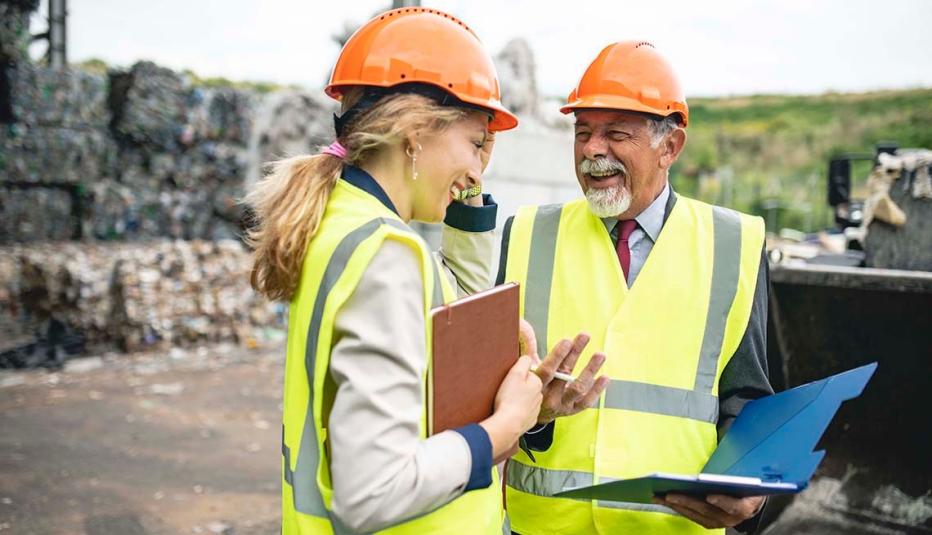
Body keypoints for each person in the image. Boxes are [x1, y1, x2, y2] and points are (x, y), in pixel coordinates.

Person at [245, 8, 545, 534]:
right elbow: (373, 492)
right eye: (477, 143)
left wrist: (465, 192)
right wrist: (506, 426)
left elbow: (446, 323)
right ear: (415, 131)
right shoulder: (388, 254)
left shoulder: (341, 219)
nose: (480, 169)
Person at [494, 41, 773, 534]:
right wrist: (536, 417)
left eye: (615, 134)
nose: (593, 151)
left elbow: (745, 398)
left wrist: (748, 482)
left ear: (670, 147)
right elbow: (488, 394)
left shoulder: (734, 244)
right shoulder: (527, 234)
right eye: (582, 134)